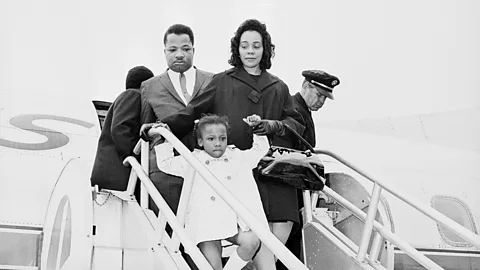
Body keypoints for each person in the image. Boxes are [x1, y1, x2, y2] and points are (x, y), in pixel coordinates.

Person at [142, 18, 305, 269]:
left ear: (266, 49)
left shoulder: (279, 86)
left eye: (256, 46)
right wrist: (163, 128)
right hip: (234, 172)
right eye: (244, 46)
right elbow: (191, 112)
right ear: (236, 49)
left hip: (271, 172)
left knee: (272, 240)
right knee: (249, 238)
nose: (250, 52)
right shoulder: (221, 81)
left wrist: (272, 126)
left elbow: (296, 124)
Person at [152, 114, 269, 270]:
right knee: (213, 266)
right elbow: (166, 163)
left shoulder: (237, 157)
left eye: (222, 138)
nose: (218, 143)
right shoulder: (192, 159)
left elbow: (260, 150)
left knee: (252, 241)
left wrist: (257, 127)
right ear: (200, 141)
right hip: (206, 224)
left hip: (231, 222)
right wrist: (163, 139)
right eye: (211, 139)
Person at [140, 23, 214, 214]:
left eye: (185, 49)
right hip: (166, 174)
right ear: (164, 51)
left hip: (207, 168)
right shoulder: (150, 86)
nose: (179, 54)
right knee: (170, 234)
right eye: (172, 49)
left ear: (193, 50)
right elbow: (146, 129)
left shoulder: (213, 80)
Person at [279, 69, 340, 270]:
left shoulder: (303, 110)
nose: (321, 101)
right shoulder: (295, 110)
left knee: (291, 243)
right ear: (306, 86)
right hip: (290, 187)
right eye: (319, 94)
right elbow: (295, 151)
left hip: (296, 188)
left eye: (325, 97)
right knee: (289, 244)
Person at [90, 66, 154, 191]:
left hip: (112, 173)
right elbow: (121, 128)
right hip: (118, 172)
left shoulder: (126, 96)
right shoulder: (133, 95)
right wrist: (135, 155)